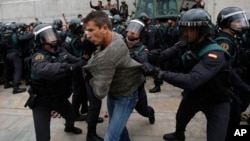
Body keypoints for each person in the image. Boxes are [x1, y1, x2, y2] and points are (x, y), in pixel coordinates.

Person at [152, 8, 232, 141]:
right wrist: (149, 55)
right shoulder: (188, 43)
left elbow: (191, 80)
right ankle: (179, 135)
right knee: (181, 117)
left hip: (217, 100)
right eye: (183, 29)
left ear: (202, 30)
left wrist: (160, 73)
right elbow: (165, 55)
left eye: (189, 29)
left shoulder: (215, 54)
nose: (185, 33)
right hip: (196, 95)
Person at [83, 10, 145, 141]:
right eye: (86, 31)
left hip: (126, 95)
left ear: (104, 28)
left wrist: (91, 78)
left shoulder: (110, 54)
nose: (87, 35)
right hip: (115, 91)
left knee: (111, 137)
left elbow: (100, 93)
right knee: (118, 128)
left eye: (91, 30)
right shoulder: (114, 35)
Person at [30, 23, 85, 141]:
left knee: (71, 117)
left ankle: (69, 128)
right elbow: (44, 69)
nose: (53, 38)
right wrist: (66, 67)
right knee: (43, 137)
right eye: (48, 36)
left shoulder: (61, 51)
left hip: (59, 98)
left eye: (53, 35)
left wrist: (85, 58)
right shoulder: (38, 56)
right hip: (42, 100)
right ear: (41, 39)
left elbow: (75, 60)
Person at [215, 7, 250, 141]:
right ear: (228, 23)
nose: (241, 24)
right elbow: (225, 69)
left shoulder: (233, 38)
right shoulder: (224, 42)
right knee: (233, 119)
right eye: (237, 21)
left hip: (235, 86)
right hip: (230, 89)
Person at [124, 19, 155, 124]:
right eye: (130, 29)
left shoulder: (142, 49)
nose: (131, 32)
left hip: (136, 85)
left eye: (135, 31)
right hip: (122, 84)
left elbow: (144, 62)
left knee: (143, 110)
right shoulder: (120, 43)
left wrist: (134, 57)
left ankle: (151, 113)